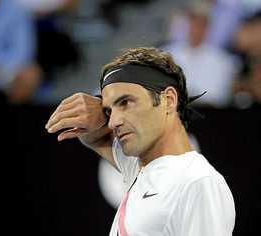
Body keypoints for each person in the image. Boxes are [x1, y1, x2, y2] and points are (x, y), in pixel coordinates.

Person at [45, 47, 236, 235]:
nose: (113, 122)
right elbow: (93, 135)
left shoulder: (197, 182)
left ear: (168, 100)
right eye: (109, 111)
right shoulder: (139, 169)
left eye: (125, 102)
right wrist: (97, 106)